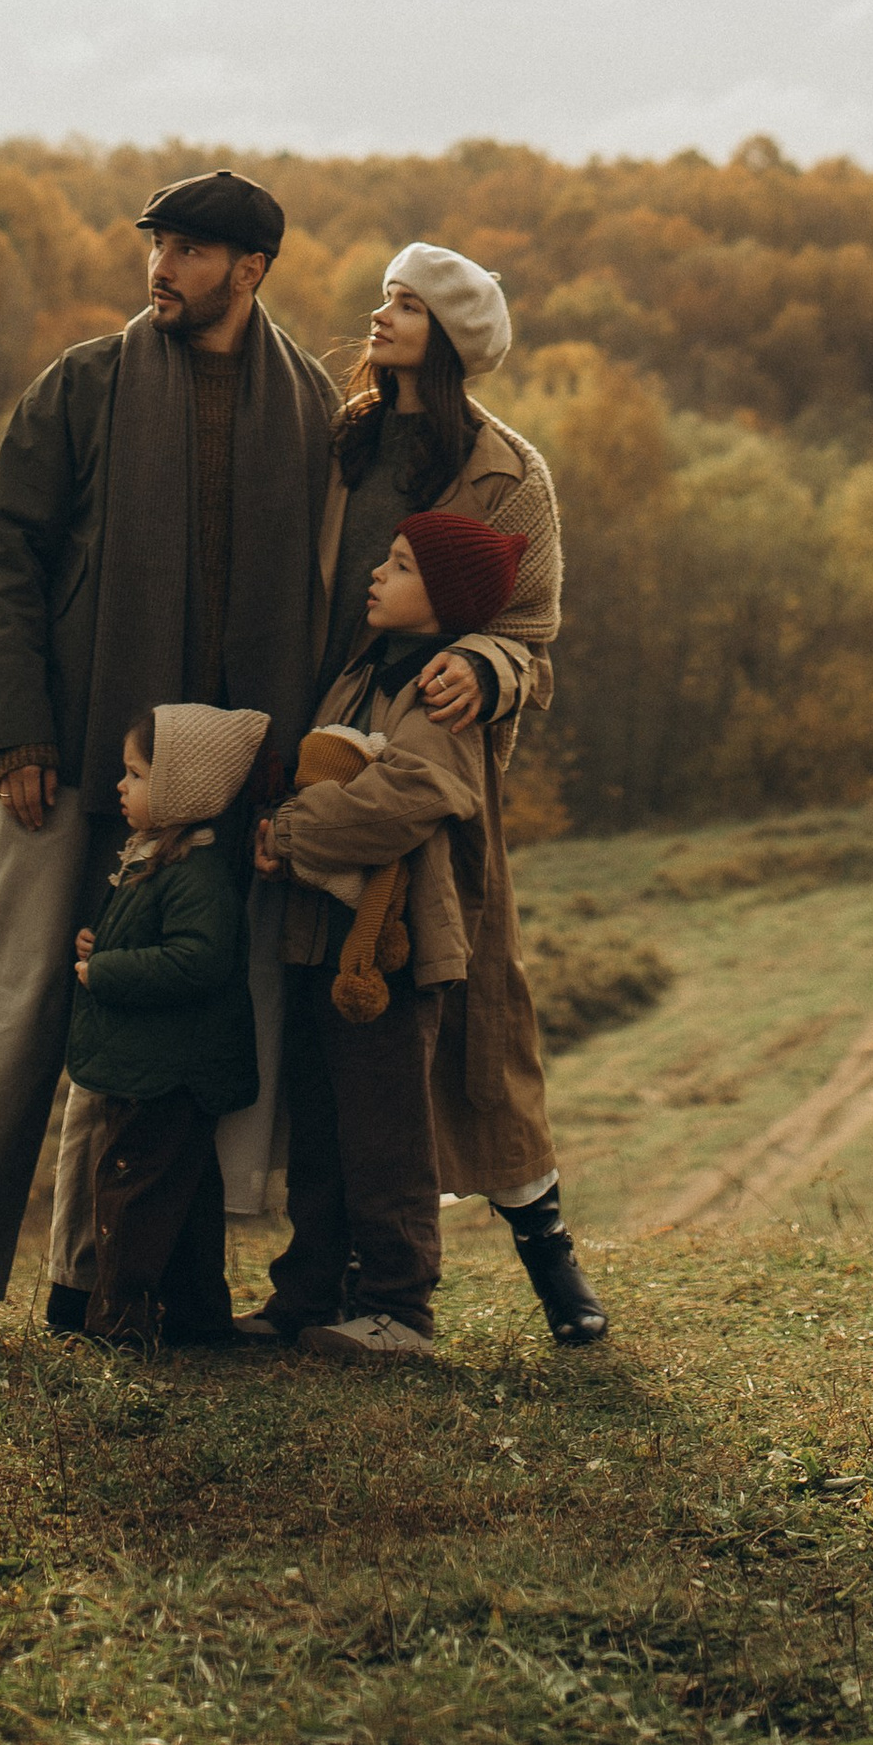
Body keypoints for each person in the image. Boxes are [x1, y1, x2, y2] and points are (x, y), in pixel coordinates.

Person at [0, 168, 337, 1349]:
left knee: (150, 1029)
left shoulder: (309, 407)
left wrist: (278, 777)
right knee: (15, 1005)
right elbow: (9, 558)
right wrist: (17, 728)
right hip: (75, 752)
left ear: (251, 269)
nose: (162, 268)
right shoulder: (83, 384)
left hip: (215, 780)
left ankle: (94, 1285)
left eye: (192, 251)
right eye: (156, 245)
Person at [324, 242, 607, 1345]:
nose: (380, 314)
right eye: (385, 296)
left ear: (448, 337)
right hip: (324, 745)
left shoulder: (509, 473)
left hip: (437, 765)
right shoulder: (335, 444)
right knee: (337, 1017)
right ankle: (343, 1275)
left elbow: (531, 638)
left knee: (479, 1020)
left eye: (406, 304)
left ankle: (549, 1258)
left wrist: (484, 666)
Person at [252, 510, 525, 1359]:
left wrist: (291, 834)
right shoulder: (363, 670)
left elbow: (413, 793)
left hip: (392, 950)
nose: (378, 573)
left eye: (401, 566)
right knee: (323, 1131)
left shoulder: (439, 690)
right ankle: (309, 1294)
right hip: (319, 940)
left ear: (442, 598)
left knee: (386, 1133)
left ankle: (400, 1306)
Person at [65, 702, 270, 1347]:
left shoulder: (196, 873)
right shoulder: (157, 860)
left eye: (136, 774)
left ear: (178, 788)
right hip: (159, 1064)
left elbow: (197, 962)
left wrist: (108, 972)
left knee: (133, 1193)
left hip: (170, 1070)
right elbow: (157, 941)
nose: (121, 787)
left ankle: (119, 1325)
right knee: (185, 1197)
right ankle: (198, 1318)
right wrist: (105, 943)